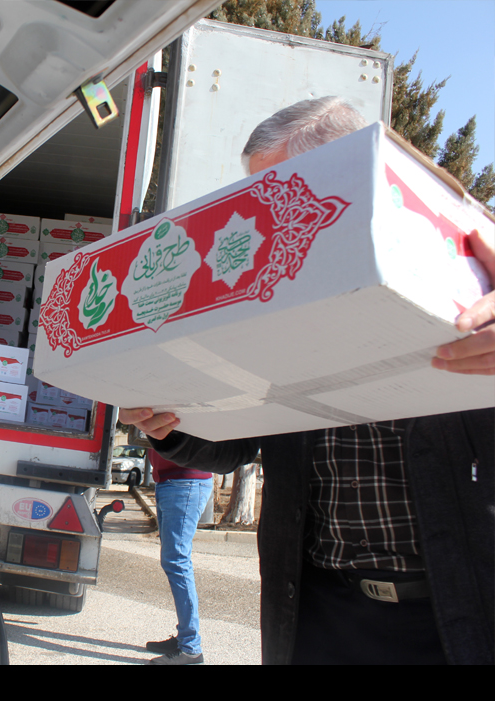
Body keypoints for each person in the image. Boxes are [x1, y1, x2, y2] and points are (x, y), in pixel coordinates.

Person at [122, 96, 494, 665]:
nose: (272, 216)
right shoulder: (274, 309)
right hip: (323, 613)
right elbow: (238, 440)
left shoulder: (464, 273)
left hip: (456, 617)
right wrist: (168, 423)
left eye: (285, 190)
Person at [145, 448, 212, 665]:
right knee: (173, 561)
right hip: (172, 480)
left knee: (177, 562)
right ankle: (184, 638)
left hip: (185, 482)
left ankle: (191, 648)